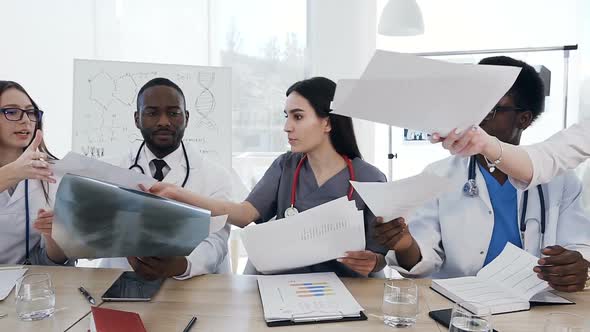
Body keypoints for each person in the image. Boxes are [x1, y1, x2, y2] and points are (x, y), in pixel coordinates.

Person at [378, 57, 590, 292]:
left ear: (524, 119)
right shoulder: (438, 174)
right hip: (459, 302)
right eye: (472, 107)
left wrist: (577, 263)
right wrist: (404, 244)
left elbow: (579, 245)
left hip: (536, 303)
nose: (476, 118)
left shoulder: (560, 180)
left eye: (490, 109)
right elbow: (424, 260)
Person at [146, 77, 389, 277]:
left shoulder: (371, 179)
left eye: (298, 116)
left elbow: (381, 256)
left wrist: (373, 261)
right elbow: (243, 215)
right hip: (284, 286)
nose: (286, 127)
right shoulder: (286, 167)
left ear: (327, 122)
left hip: (348, 289)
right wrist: (178, 193)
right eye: (286, 116)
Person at [97, 77, 233, 280]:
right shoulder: (110, 170)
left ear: (186, 117)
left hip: (192, 287)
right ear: (137, 119)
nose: (163, 121)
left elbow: (217, 241)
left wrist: (181, 265)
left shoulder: (215, 176)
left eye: (173, 113)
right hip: (122, 279)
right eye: (152, 113)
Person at [432, 104, 590, 190]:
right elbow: (543, 160)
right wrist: (483, 142)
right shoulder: (439, 173)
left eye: (491, 111)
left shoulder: (565, 183)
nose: (482, 118)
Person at [0, 80, 69, 265]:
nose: (25, 120)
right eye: (12, 111)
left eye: (30, 112)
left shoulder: (51, 174)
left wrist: (53, 236)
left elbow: (55, 262)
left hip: (26, 286)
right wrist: (14, 172)